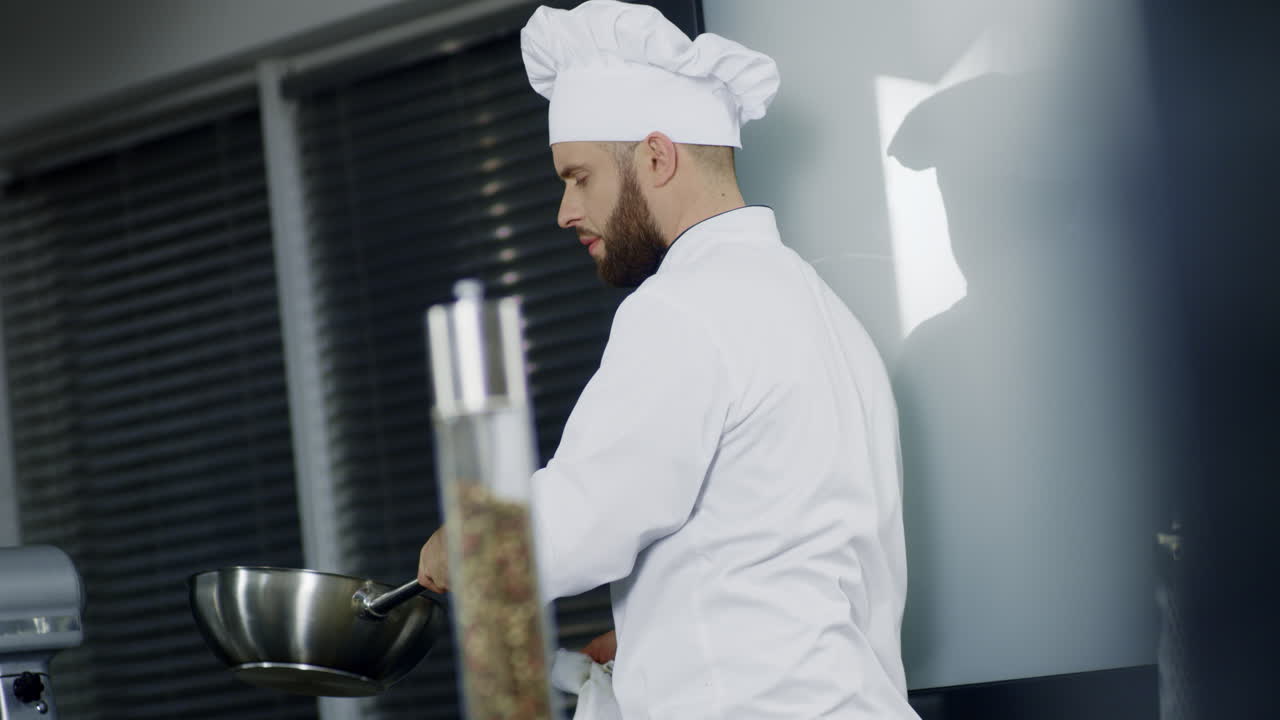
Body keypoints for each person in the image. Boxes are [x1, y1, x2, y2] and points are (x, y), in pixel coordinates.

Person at [418, 2, 917, 717]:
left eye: (579, 176)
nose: (563, 210)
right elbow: (797, 565)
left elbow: (588, 515)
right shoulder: (828, 317)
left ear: (657, 156)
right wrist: (658, 636)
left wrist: (463, 546)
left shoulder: (683, 307)